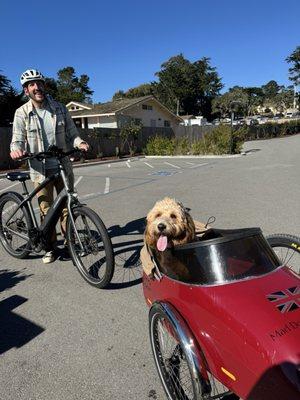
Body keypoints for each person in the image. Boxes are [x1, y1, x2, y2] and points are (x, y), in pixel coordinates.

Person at [10, 69, 89, 264]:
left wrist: (80, 143)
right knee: (46, 209)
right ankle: (50, 247)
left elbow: (72, 132)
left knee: (66, 207)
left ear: (44, 86)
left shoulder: (60, 108)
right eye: (31, 85)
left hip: (62, 166)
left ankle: (70, 243)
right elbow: (17, 140)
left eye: (39, 83)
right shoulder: (21, 113)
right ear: (26, 90)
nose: (37, 87)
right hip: (40, 168)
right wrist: (16, 150)